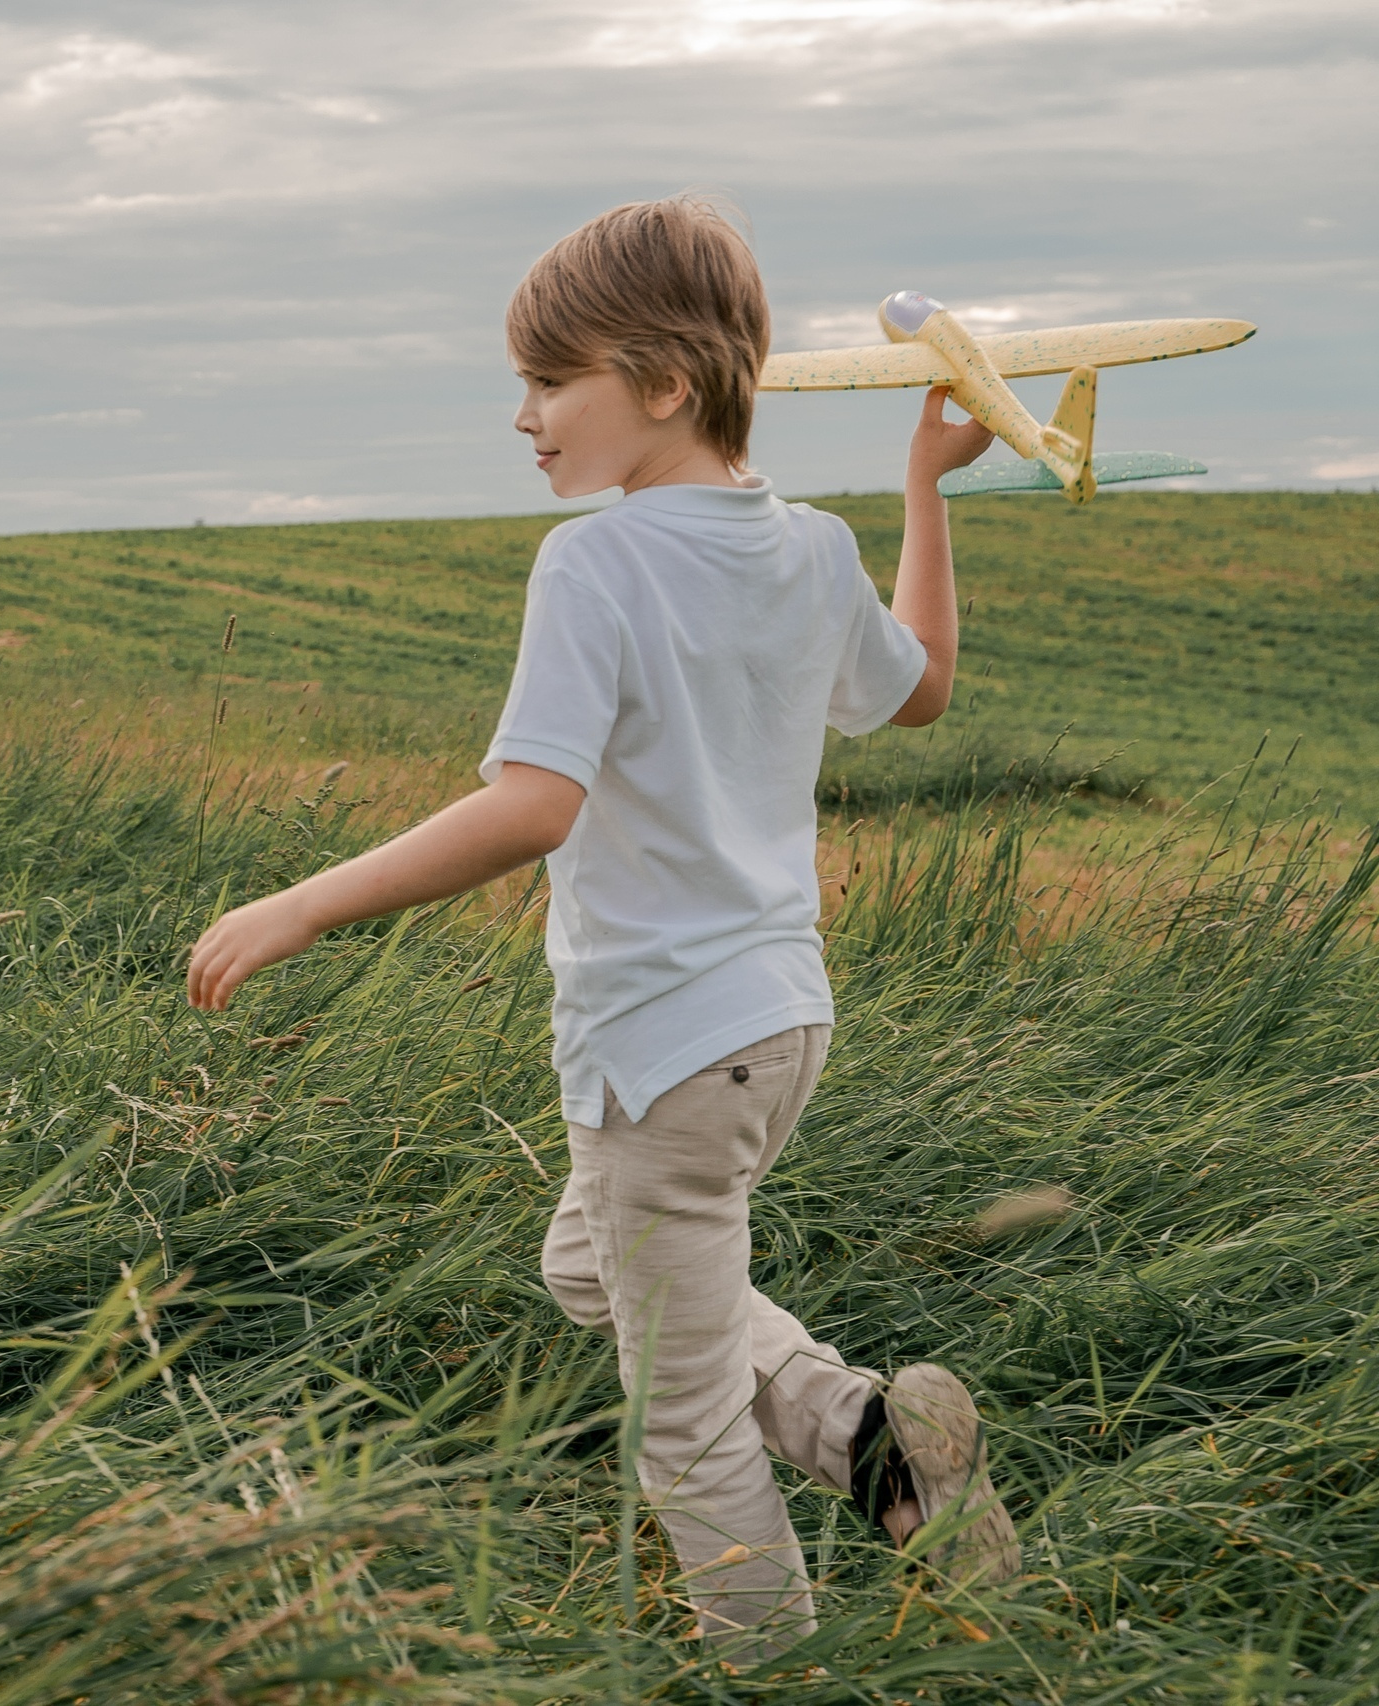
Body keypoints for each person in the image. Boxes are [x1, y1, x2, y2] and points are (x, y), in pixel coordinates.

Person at [185, 197, 1018, 1657]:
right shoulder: (815, 549)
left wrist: (304, 900)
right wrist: (926, 486)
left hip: (663, 1046)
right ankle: (881, 1441)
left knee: (679, 1421)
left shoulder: (599, 562)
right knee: (594, 1266)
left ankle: (768, 1663)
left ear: (663, 383)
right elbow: (928, 684)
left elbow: (531, 806)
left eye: (548, 380)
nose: (524, 417)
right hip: (779, 1022)